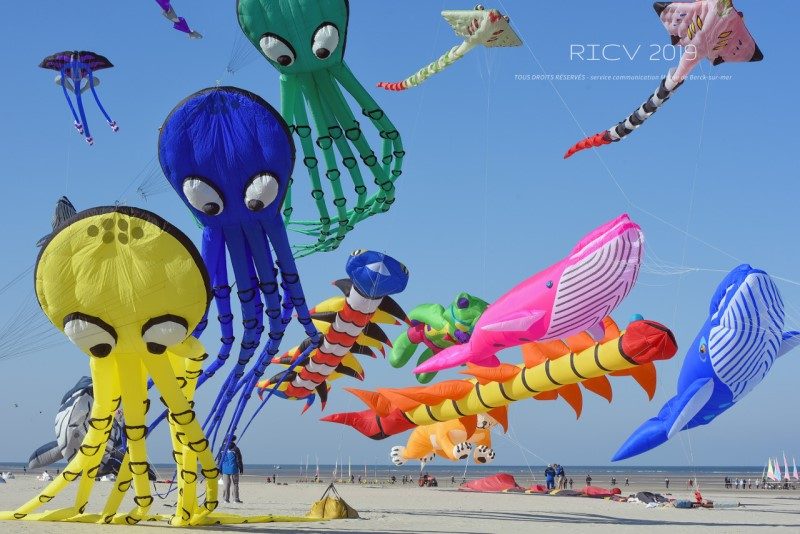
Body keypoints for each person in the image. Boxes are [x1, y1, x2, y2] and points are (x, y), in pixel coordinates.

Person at [221, 435, 244, 504]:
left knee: (226, 484)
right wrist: (241, 468)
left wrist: (220, 468)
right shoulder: (235, 448)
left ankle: (225, 499)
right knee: (235, 484)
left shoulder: (222, 448)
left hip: (224, 468)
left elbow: (220, 460)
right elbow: (239, 459)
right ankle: (235, 499)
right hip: (233, 468)